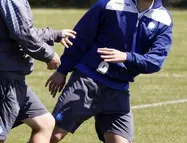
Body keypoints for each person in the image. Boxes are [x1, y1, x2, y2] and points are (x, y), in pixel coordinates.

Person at [46, 0, 173, 142]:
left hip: (119, 90)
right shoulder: (109, 5)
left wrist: (126, 57)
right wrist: (62, 70)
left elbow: (156, 61)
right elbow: (80, 38)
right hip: (87, 81)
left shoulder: (163, 19)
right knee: (53, 135)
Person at [0, 0, 76, 143]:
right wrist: (48, 55)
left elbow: (21, 29)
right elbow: (23, 33)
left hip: (6, 74)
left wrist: (55, 34)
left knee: (45, 123)